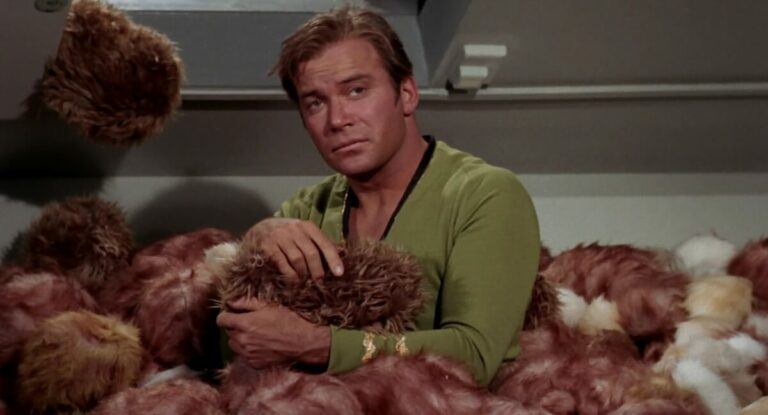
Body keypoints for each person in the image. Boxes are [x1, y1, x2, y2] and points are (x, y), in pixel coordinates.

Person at [216, 6, 540, 386]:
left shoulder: (485, 194)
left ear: (407, 93)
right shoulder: (306, 209)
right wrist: (255, 243)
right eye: (316, 103)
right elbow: (237, 346)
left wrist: (318, 345)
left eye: (356, 90)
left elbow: (474, 355)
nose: (338, 119)